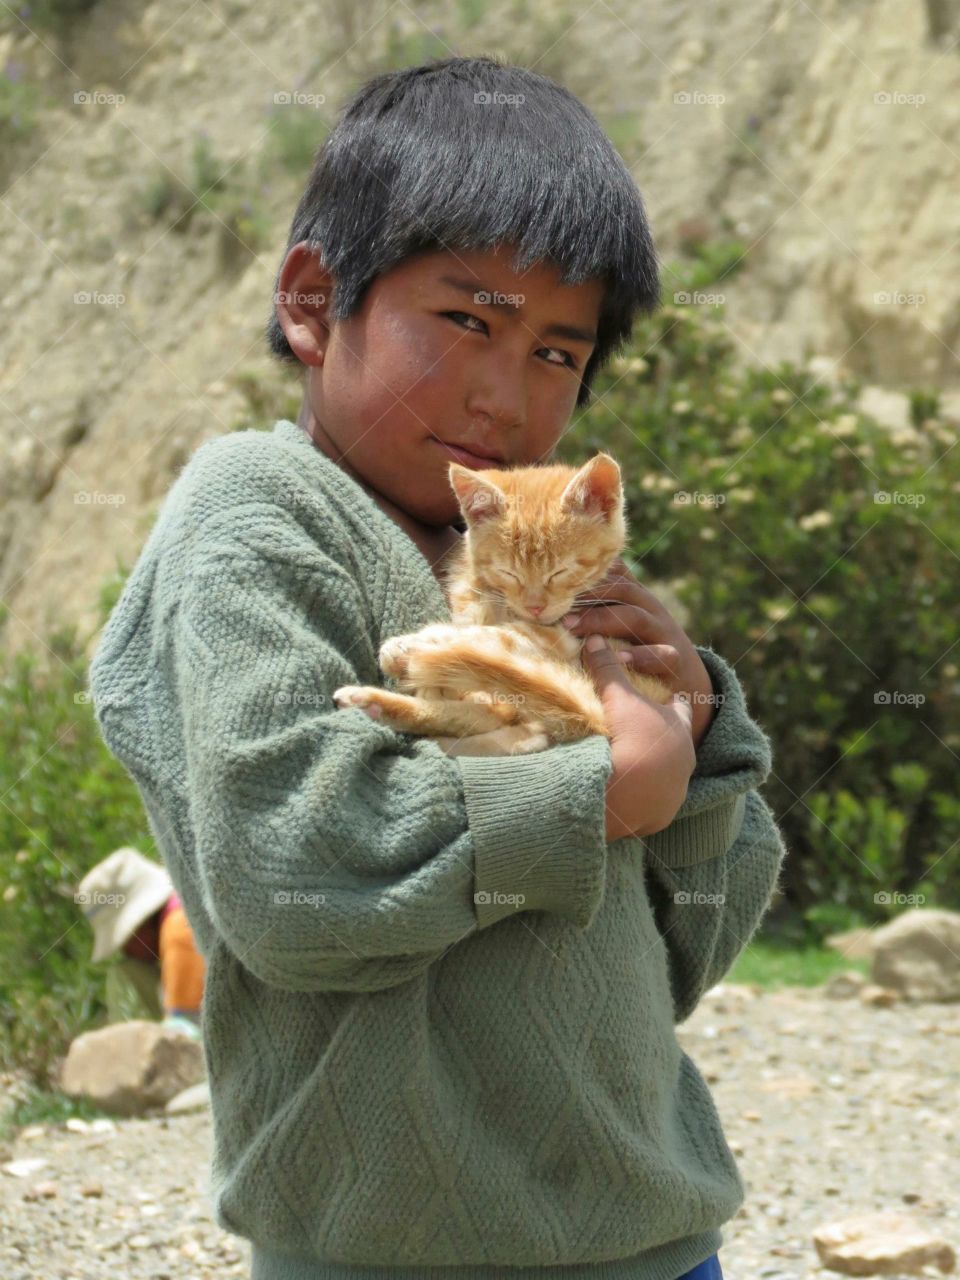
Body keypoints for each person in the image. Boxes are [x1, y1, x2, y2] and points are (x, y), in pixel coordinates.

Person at [88, 55, 787, 1280]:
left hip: (656, 1241)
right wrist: (601, 790)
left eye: (559, 354)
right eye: (467, 319)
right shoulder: (258, 518)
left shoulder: (529, 562)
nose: (502, 392)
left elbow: (675, 959)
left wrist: (696, 739)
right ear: (313, 300)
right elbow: (290, 879)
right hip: (386, 1254)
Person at [77, 847, 205, 1038]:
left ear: (139, 925)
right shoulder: (187, 904)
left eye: (123, 940)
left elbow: (189, 1038)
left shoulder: (179, 931)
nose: (125, 950)